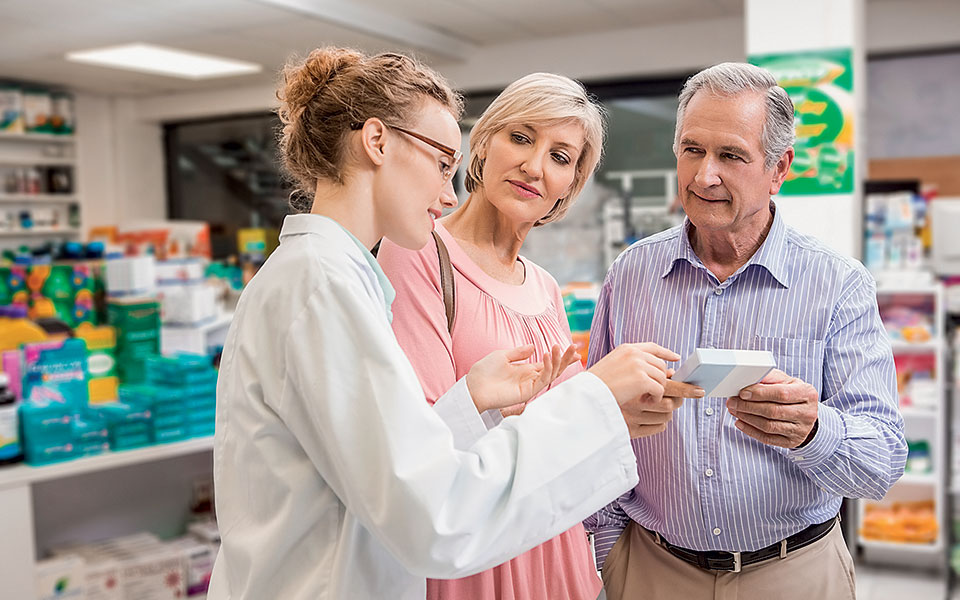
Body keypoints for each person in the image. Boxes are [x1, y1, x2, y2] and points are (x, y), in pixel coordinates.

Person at [207, 47, 691, 600]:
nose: (446, 192)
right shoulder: (322, 287)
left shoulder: (332, 278)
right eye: (442, 163)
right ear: (377, 142)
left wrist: (473, 399)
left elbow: (392, 465)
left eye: (561, 157)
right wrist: (594, 402)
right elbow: (434, 511)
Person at [585, 62, 906, 600]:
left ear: (780, 168)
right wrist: (611, 555)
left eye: (731, 155)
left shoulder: (838, 284)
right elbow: (596, 423)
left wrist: (811, 430)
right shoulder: (631, 274)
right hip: (651, 569)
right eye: (692, 150)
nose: (704, 175)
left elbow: (882, 463)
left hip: (794, 572)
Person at [378, 72, 705, 600]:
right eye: (522, 137)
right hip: (480, 560)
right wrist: (595, 393)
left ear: (570, 186)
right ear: (482, 144)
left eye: (560, 156)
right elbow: (425, 448)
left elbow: (572, 430)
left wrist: (629, 411)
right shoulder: (418, 255)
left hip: (560, 553)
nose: (534, 167)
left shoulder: (545, 288)